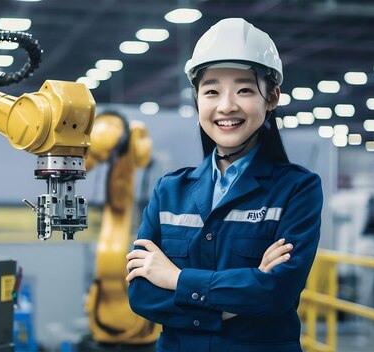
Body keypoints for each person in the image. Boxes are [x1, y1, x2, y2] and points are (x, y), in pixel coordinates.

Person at [126, 18, 323, 351]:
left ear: (272, 97)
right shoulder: (169, 191)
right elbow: (142, 295)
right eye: (211, 90)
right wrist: (242, 295)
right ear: (197, 99)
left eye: (244, 89)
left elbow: (276, 294)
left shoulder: (297, 190)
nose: (226, 105)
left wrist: (176, 279)